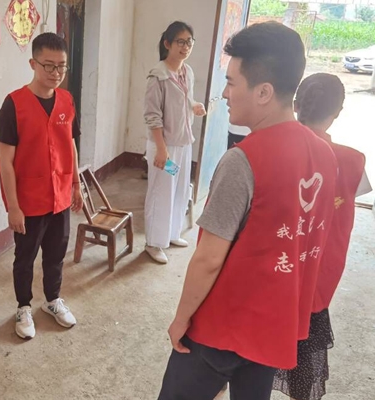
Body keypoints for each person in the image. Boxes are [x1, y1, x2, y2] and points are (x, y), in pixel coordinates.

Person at [157, 22, 338, 400]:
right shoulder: (325, 154)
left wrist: (181, 318)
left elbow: (208, 259)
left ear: (263, 92)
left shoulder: (243, 160)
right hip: (275, 326)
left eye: (231, 82)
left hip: (222, 327)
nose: (224, 93)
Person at [273, 73, 372, 400]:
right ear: (338, 111)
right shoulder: (353, 161)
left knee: (254, 352)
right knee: (304, 355)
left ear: (296, 104)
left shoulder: (271, 149)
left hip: (274, 271)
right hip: (317, 276)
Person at [0, 32, 83, 340]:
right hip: (28, 200)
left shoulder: (67, 100)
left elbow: (70, 144)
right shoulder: (14, 105)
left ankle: (52, 300)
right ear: (33, 64)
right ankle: (23, 306)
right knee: (25, 257)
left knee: (56, 253)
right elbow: (5, 161)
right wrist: (13, 207)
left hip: (60, 195)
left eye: (61, 66)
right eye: (48, 65)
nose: (55, 73)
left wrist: (76, 184)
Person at [144, 21, 206, 264]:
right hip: (164, 148)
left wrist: (195, 106)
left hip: (183, 144)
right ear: (167, 44)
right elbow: (152, 116)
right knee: (161, 193)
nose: (186, 47)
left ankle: (171, 234)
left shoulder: (186, 71)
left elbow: (186, 99)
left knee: (179, 190)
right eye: (181, 42)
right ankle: (153, 242)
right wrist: (161, 150)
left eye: (189, 42)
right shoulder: (158, 76)